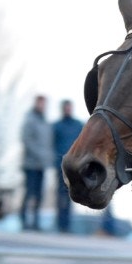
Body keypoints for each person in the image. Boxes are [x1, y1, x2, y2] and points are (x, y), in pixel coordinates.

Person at [19, 94, 52, 231]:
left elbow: (48, 143)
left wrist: (47, 157)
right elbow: (27, 140)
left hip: (42, 165)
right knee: (29, 193)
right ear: (36, 103)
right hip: (31, 164)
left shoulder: (45, 122)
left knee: (39, 195)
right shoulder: (30, 120)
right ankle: (24, 220)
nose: (43, 106)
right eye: (41, 103)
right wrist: (40, 154)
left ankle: (36, 222)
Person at [52, 99, 85, 233]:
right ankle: (61, 224)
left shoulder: (78, 125)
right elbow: (52, 144)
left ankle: (67, 225)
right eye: (66, 108)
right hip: (59, 166)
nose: (68, 110)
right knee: (60, 196)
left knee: (72, 194)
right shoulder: (56, 126)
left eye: (69, 107)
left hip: (75, 166)